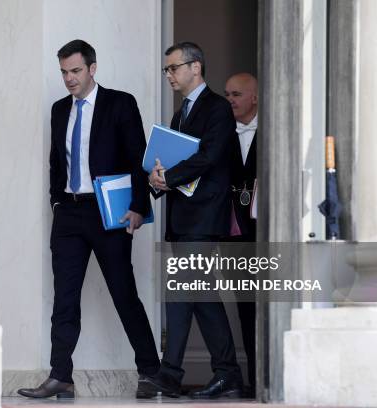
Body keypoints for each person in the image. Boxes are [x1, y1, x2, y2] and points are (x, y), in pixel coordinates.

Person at [17, 39, 159, 399]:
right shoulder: (58, 109)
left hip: (107, 213)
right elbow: (56, 161)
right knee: (64, 298)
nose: (69, 79)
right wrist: (56, 201)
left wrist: (139, 206)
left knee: (123, 293)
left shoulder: (120, 103)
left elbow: (137, 157)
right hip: (69, 214)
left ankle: (151, 371)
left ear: (92, 69)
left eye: (76, 71)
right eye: (64, 72)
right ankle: (60, 375)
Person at [142, 42, 243, 399]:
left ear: (195, 67)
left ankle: (170, 373)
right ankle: (227, 374)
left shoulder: (217, 108)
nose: (169, 74)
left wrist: (167, 177)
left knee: (184, 290)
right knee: (199, 294)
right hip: (183, 217)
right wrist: (157, 178)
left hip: (204, 216)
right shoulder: (180, 113)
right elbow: (174, 162)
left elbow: (210, 156)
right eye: (166, 69)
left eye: (173, 68)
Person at [224, 72, 258, 396]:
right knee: (245, 307)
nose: (230, 100)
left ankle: (270, 376)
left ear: (254, 98)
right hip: (235, 233)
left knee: (273, 303)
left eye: (236, 94)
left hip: (270, 233)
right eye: (227, 94)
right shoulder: (223, 132)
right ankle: (252, 380)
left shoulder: (276, 130)